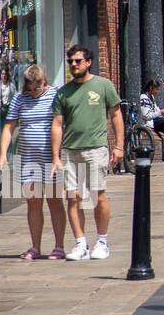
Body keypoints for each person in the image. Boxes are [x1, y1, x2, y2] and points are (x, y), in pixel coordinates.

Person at [50, 46, 123, 261]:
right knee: (73, 198)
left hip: (95, 148)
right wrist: (55, 156)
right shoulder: (63, 92)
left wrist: (119, 146)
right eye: (71, 61)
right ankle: (80, 243)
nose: (74, 64)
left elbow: (116, 114)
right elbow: (57, 124)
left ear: (88, 62)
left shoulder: (103, 85)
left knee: (97, 195)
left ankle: (102, 241)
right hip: (70, 151)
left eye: (78, 61)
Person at [0, 65, 65, 260]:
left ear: (45, 82)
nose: (34, 92)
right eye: (30, 88)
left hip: (50, 157)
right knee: (33, 202)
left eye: (38, 87)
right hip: (27, 158)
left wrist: (58, 155)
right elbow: (9, 126)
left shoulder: (55, 95)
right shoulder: (20, 98)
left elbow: (60, 123)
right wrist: (2, 155)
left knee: (54, 201)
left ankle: (59, 246)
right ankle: (35, 246)